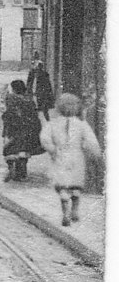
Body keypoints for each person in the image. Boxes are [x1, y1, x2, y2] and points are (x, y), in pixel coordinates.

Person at [39, 93, 103, 227]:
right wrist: (96, 153)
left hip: (60, 156)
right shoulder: (81, 124)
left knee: (62, 186)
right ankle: (74, 209)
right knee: (75, 184)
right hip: (76, 156)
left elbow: (44, 138)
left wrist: (52, 149)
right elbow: (91, 141)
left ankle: (65, 213)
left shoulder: (53, 124)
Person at [2, 80, 43, 183]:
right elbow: (35, 116)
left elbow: (8, 114)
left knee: (9, 149)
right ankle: (22, 173)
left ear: (14, 89)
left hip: (14, 129)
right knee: (23, 151)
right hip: (28, 130)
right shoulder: (30, 101)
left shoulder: (11, 98)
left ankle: (11, 169)